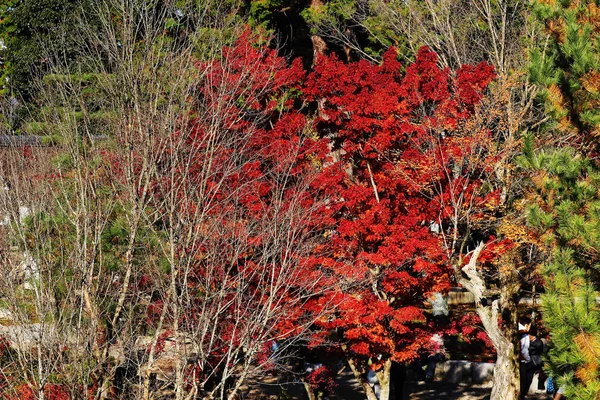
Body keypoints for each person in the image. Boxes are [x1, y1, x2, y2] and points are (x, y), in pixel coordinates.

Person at [519, 316, 533, 400]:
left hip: (517, 360)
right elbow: (524, 350)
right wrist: (528, 360)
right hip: (523, 361)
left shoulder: (516, 330)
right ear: (527, 325)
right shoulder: (524, 334)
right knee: (523, 382)